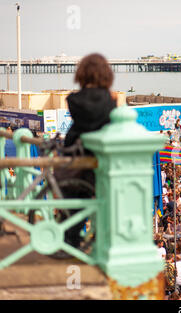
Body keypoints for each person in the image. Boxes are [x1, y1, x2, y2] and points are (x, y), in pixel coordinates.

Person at [58, 53, 117, 251]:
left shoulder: (74, 101)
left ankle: (70, 242)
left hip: (74, 158)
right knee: (105, 205)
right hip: (98, 161)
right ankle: (103, 245)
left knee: (72, 205)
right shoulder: (109, 100)